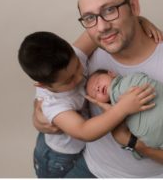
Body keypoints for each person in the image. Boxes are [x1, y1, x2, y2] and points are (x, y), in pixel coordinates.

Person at [31, 0, 163, 177]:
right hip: (91, 168)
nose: (102, 27)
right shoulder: (90, 49)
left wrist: (134, 144)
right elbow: (51, 78)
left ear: (134, 6)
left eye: (110, 10)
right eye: (90, 17)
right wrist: (39, 114)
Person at [18, 31, 156, 177]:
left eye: (78, 66)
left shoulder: (71, 58)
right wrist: (122, 109)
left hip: (84, 150)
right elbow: (84, 131)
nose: (79, 77)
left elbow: (98, 32)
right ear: (43, 86)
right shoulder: (53, 104)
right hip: (58, 158)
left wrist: (142, 22)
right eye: (69, 80)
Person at [86, 69, 163, 156]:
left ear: (111, 73)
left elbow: (145, 81)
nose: (97, 88)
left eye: (98, 81)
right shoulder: (114, 113)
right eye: (94, 94)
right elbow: (125, 132)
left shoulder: (130, 80)